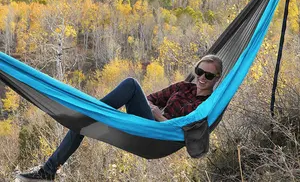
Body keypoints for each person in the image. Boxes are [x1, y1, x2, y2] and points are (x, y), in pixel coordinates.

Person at [17, 54, 222, 181]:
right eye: (199, 71)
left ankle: (90, 112)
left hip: (159, 138)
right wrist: (152, 109)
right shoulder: (183, 86)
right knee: (83, 124)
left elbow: (188, 131)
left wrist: (159, 118)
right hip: (145, 125)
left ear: (217, 79)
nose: (202, 78)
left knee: (131, 84)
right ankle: (48, 171)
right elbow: (151, 98)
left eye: (209, 76)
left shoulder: (207, 105)